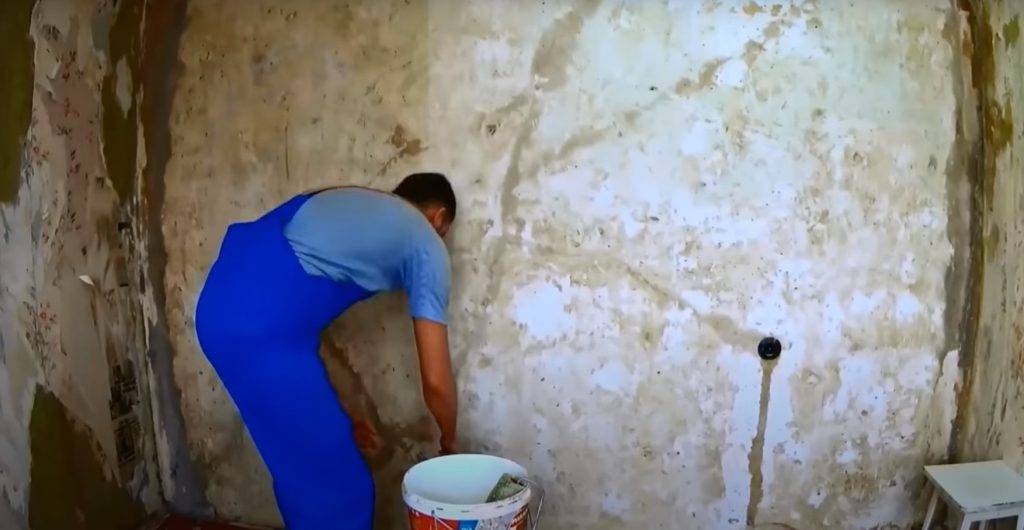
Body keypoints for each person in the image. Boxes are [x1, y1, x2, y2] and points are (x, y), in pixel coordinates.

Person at [195, 173, 459, 530]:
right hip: (260, 326)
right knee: (340, 492)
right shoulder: (425, 240)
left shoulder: (351, 200)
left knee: (306, 475)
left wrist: (347, 412)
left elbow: (303, 322)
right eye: (443, 231)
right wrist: (450, 438)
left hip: (224, 307)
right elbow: (437, 383)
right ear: (438, 218)